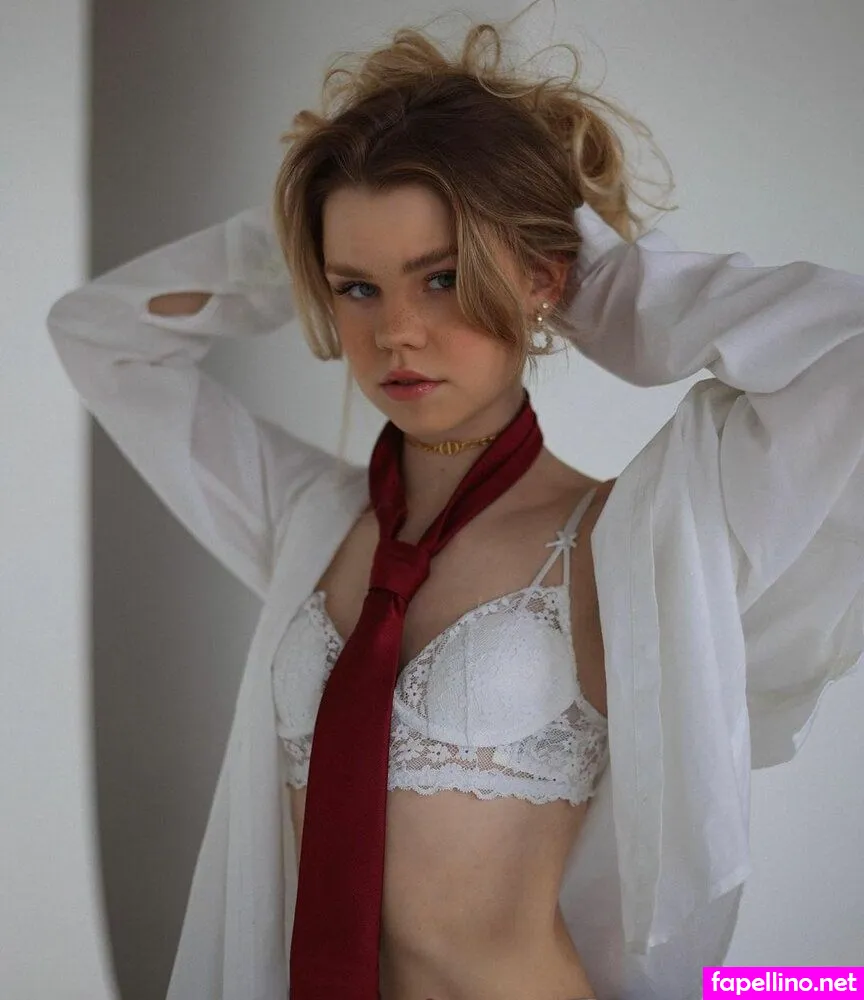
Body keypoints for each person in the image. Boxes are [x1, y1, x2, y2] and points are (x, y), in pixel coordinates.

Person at [46, 12, 864, 1000]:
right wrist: (298, 233)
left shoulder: (620, 543)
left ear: (542, 278)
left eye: (441, 278)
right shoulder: (311, 524)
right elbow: (100, 337)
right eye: (358, 289)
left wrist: (612, 291)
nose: (398, 332)